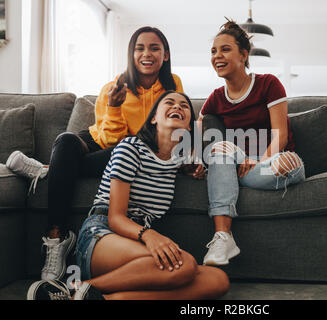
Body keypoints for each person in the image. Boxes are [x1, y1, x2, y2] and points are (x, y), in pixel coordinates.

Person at [6, 26, 184, 281]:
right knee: (66, 140)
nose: (147, 54)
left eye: (154, 48)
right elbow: (111, 138)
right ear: (130, 54)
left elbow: (133, 147)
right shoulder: (113, 87)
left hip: (131, 148)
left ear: (165, 55)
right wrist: (114, 107)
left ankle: (49, 170)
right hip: (104, 139)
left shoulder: (173, 84)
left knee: (116, 151)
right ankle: (58, 237)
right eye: (139, 48)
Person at [27, 90, 228, 300]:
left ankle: (103, 298)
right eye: (169, 103)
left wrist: (194, 166)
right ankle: (72, 290)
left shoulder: (178, 163)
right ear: (153, 118)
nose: (178, 107)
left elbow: (198, 158)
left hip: (136, 245)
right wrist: (150, 236)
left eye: (185, 106)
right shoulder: (131, 148)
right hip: (103, 233)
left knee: (217, 279)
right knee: (184, 265)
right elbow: (115, 218)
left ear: (189, 126)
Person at [199, 20, 306, 266]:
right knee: (220, 149)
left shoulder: (268, 84)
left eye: (225, 49)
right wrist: (198, 161)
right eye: (214, 51)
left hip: (268, 164)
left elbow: (280, 134)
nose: (217, 56)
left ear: (244, 55)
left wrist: (258, 160)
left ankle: (228, 178)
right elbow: (198, 134)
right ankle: (223, 237)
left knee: (289, 164)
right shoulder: (215, 98)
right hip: (236, 164)